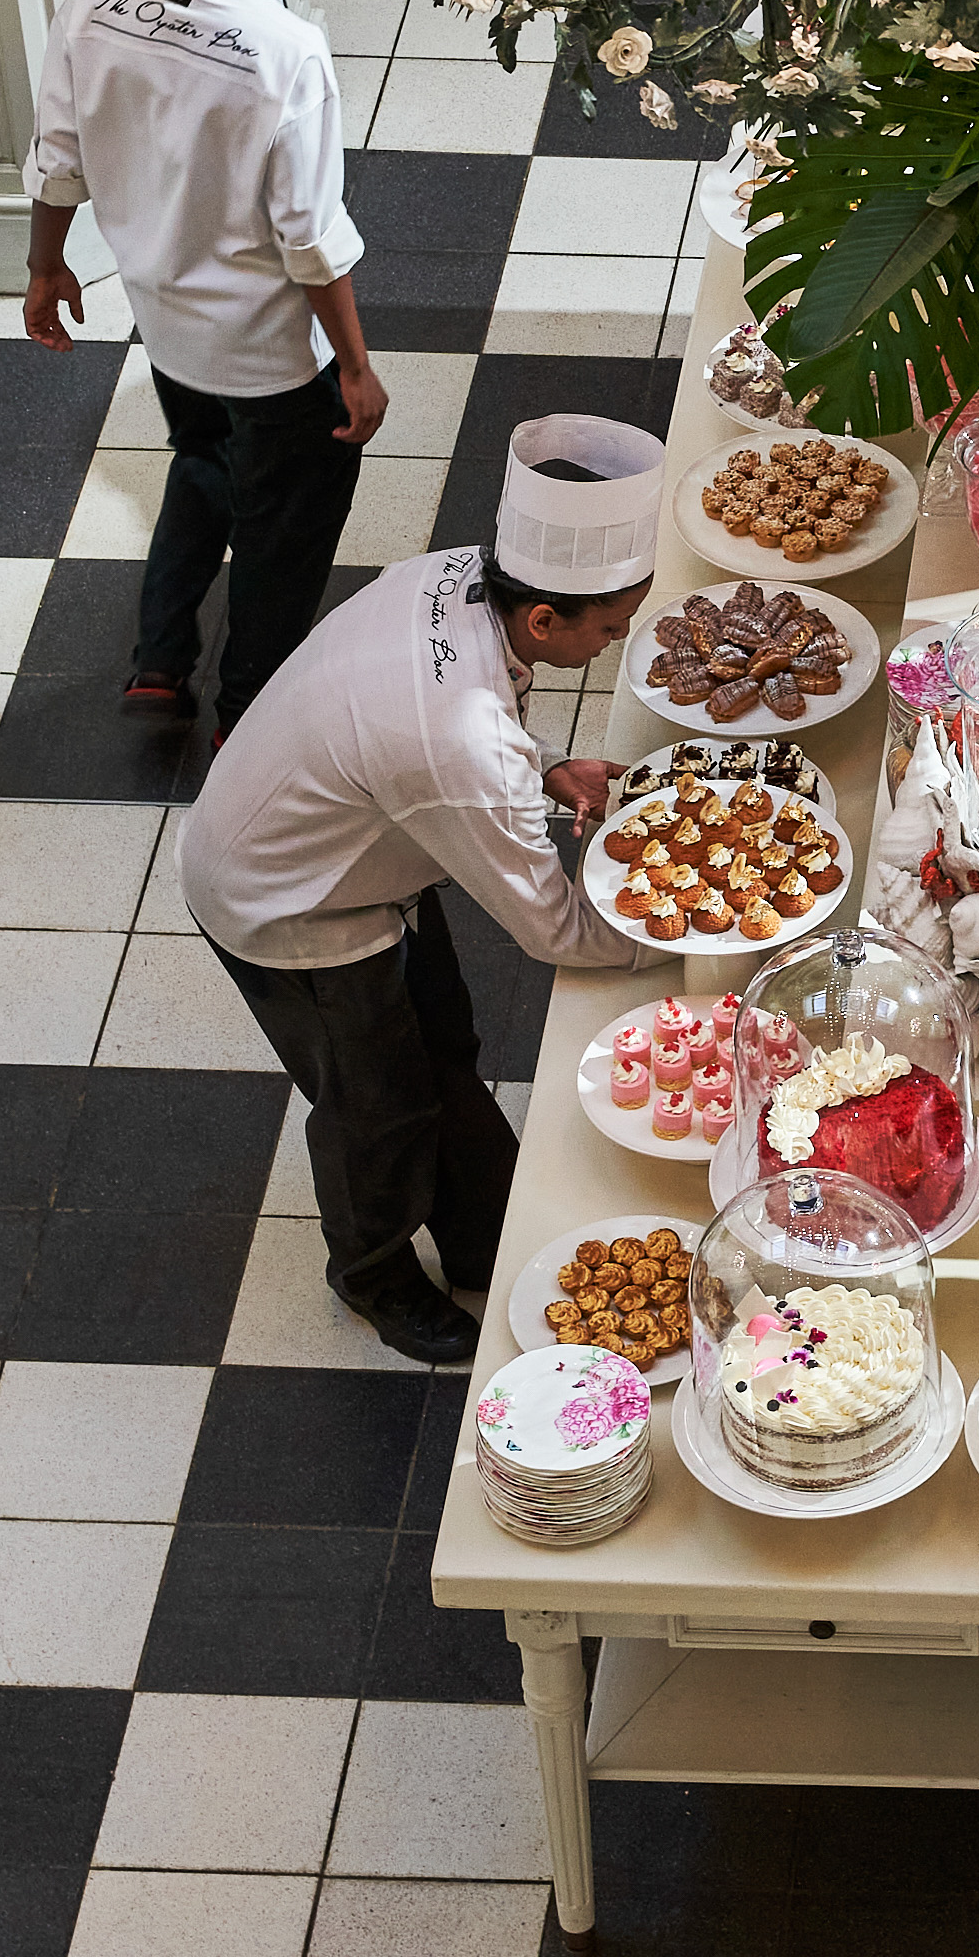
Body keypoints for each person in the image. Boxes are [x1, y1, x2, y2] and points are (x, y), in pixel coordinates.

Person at [177, 416, 668, 1361]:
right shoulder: (457, 744)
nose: (614, 643)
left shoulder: (453, 575)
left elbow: (468, 733)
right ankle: (373, 1277)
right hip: (289, 902)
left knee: (443, 1044)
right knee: (375, 1107)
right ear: (542, 619)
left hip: (363, 838)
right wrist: (684, 938)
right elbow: (554, 930)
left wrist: (544, 765)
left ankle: (484, 1229)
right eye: (610, 627)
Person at [22, 0, 385, 734]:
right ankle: (249, 705)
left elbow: (57, 160)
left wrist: (46, 267)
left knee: (203, 459)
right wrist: (354, 366)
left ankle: (159, 661)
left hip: (166, 327)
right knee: (285, 524)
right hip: (272, 356)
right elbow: (310, 239)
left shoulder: (94, 0)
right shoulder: (286, 51)